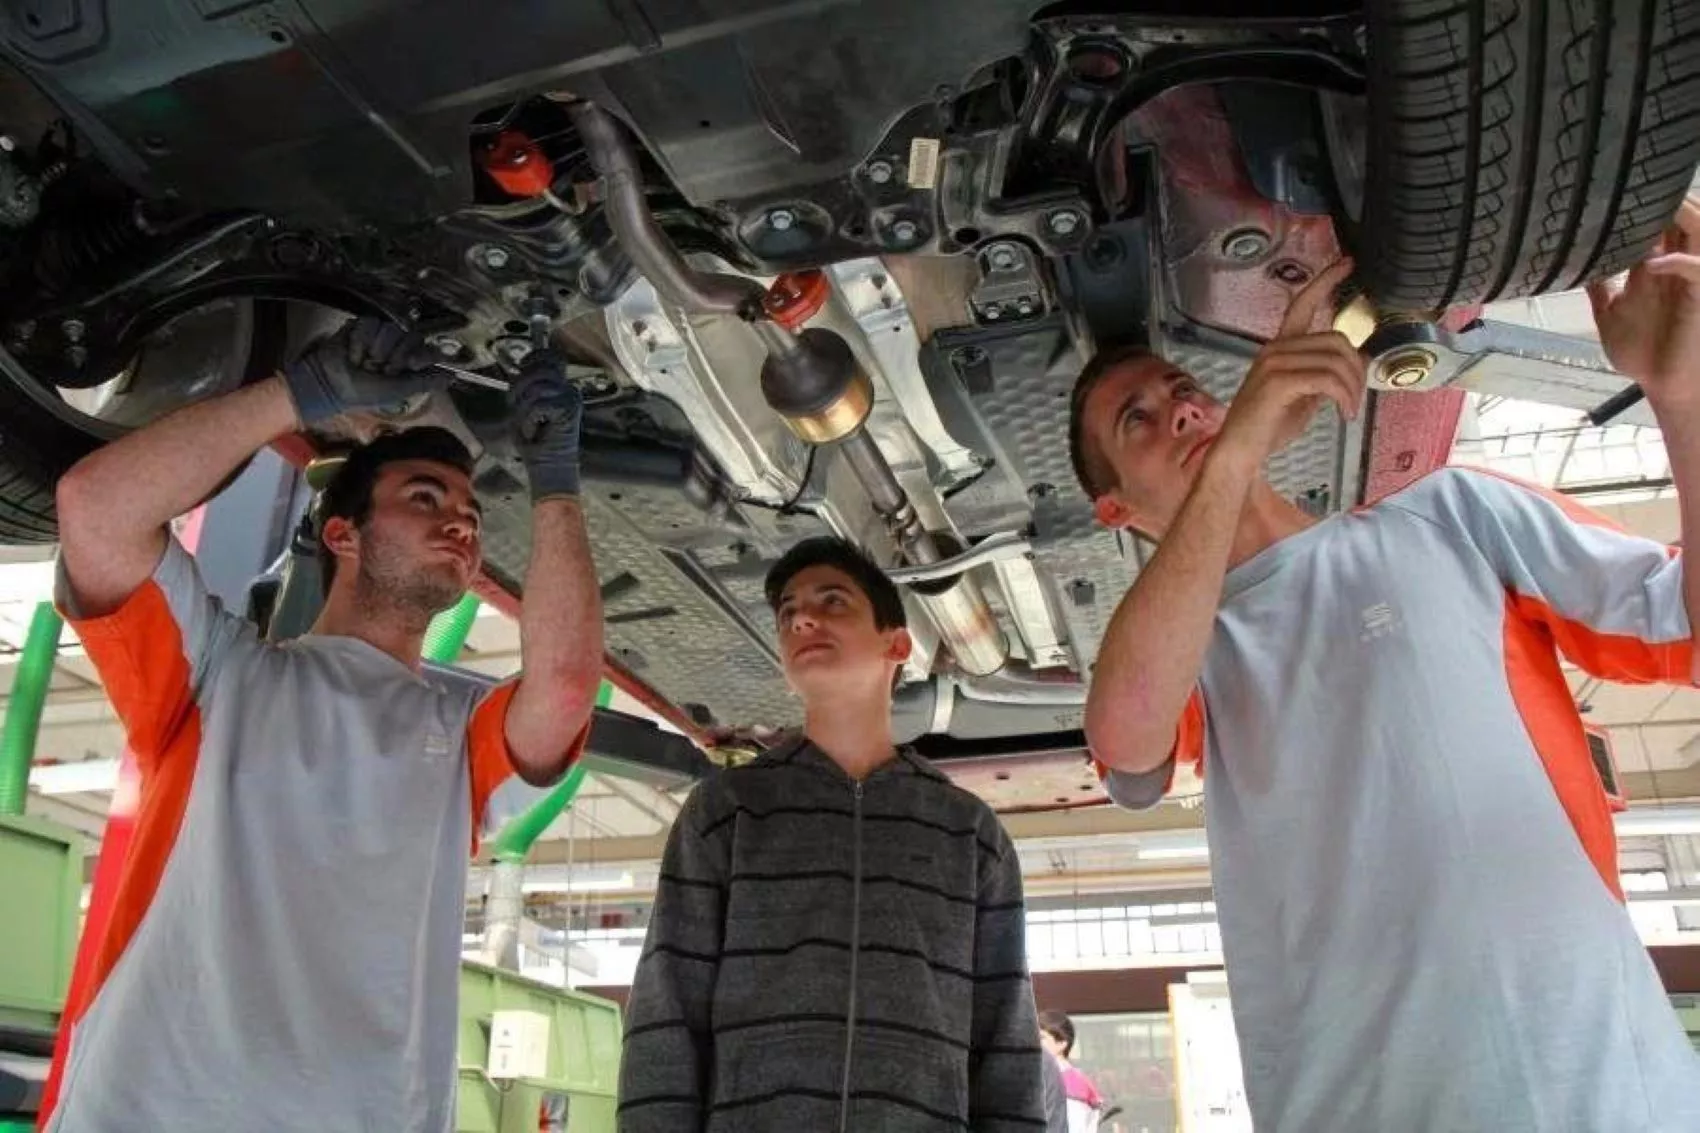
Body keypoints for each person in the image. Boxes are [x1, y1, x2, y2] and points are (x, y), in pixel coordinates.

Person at [1071, 199, 1700, 1133]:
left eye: (1181, 388)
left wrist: (1680, 399)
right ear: (1116, 510)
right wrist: (1236, 445)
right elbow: (1124, 740)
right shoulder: (1183, 645)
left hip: (1604, 1090)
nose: (1183, 408)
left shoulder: (1453, 515)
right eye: (1140, 420)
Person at [45, 317, 604, 1131]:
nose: (462, 520)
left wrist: (557, 480)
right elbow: (91, 508)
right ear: (340, 532)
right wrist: (297, 394)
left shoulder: (461, 735)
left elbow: (563, 684)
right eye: (426, 498)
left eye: (470, 512)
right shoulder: (217, 677)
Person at [617, 536, 1046, 1132]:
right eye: (788, 612)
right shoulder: (728, 810)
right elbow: (666, 1010)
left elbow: (1006, 1037)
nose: (802, 619)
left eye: (833, 601)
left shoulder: (968, 833)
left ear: (897, 644)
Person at [1038, 1010, 1104, 1133]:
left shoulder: (1070, 1083)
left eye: (1042, 1038)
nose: (1035, 1042)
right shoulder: (1048, 1077)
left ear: (1061, 1043)